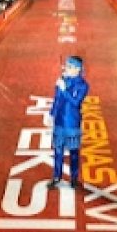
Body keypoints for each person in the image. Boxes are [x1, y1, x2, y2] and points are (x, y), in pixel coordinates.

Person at [46, 56, 89, 190]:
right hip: (59, 120)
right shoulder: (63, 80)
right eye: (66, 66)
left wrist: (64, 89)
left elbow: (76, 102)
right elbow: (57, 99)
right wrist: (51, 114)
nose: (66, 68)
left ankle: (74, 179)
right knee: (58, 150)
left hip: (72, 122)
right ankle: (56, 176)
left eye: (69, 67)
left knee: (74, 152)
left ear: (77, 69)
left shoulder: (83, 85)